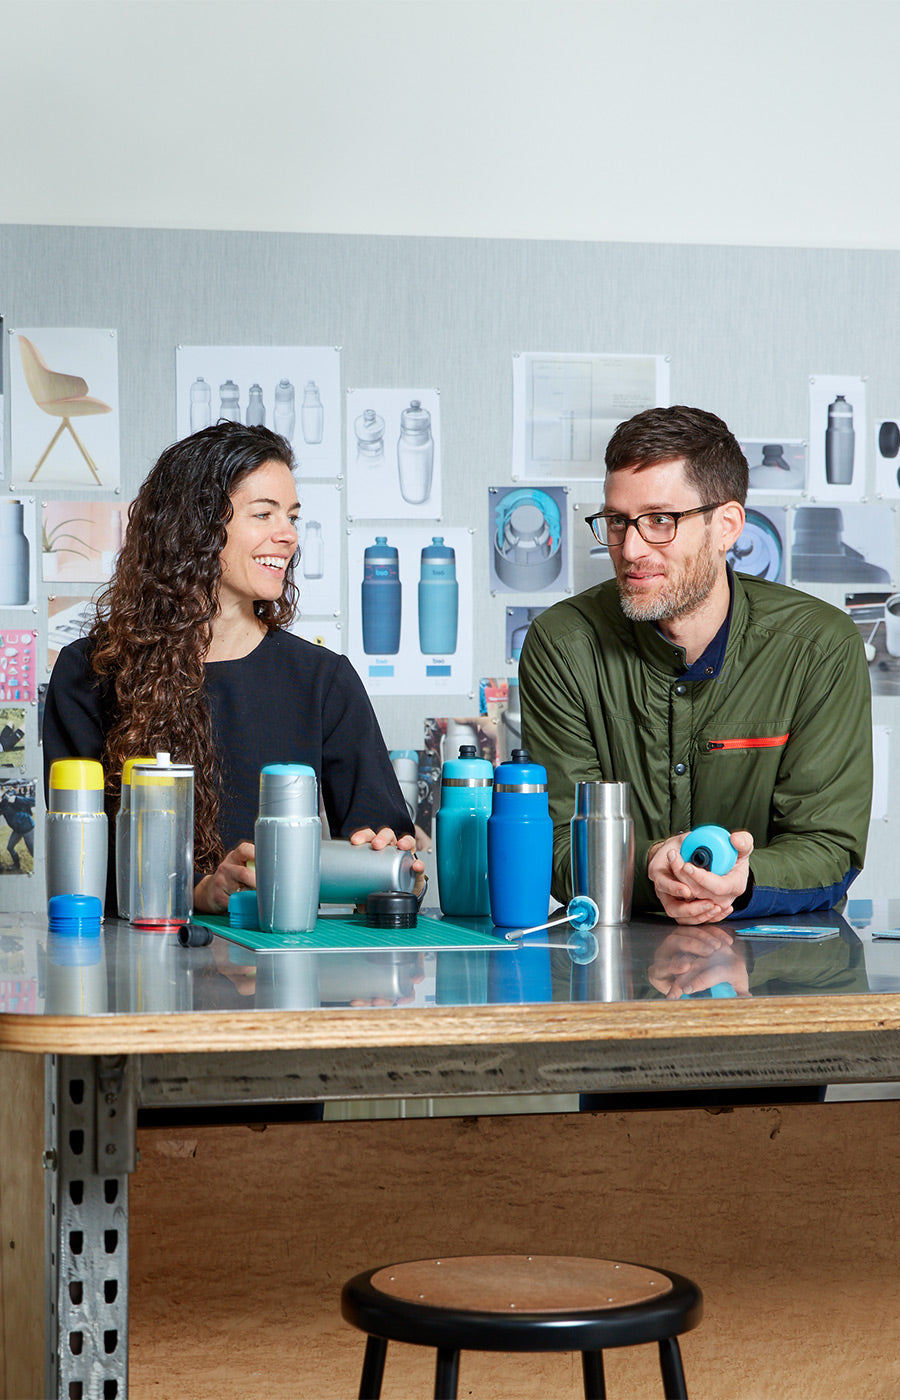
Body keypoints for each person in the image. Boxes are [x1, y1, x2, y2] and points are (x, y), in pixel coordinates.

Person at [43, 421, 419, 915]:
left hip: (280, 954)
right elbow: (83, 861)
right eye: (264, 514)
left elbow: (387, 853)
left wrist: (392, 862)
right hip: (131, 956)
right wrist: (199, 891)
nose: (288, 535)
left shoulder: (323, 680)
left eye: (292, 517)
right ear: (193, 526)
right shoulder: (90, 672)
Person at [519, 404, 873, 926]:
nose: (631, 549)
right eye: (617, 521)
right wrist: (652, 867)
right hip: (613, 954)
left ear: (726, 526)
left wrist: (744, 880)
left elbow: (829, 845)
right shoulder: (563, 645)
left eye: (660, 520)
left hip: (777, 956)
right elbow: (557, 841)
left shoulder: (818, 647)